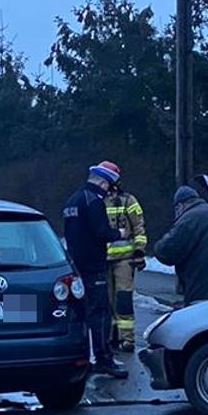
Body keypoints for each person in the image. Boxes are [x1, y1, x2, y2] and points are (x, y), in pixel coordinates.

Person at [63, 161, 129, 378]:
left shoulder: (72, 200)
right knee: (100, 313)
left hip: (76, 265)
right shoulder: (94, 201)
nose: (109, 189)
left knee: (81, 313)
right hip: (94, 266)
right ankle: (104, 359)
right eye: (109, 185)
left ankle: (85, 356)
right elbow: (101, 232)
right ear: (103, 181)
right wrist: (119, 233)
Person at [154, 185, 208, 306]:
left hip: (204, 289)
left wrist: (159, 244)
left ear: (180, 206)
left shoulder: (190, 219)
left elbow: (166, 252)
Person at [103, 176, 148, 351]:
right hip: (103, 260)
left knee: (123, 299)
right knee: (106, 301)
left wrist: (139, 251)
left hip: (124, 260)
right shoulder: (96, 202)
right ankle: (110, 336)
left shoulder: (128, 201)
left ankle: (127, 339)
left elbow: (139, 227)